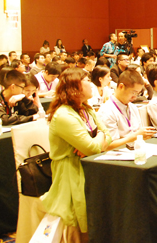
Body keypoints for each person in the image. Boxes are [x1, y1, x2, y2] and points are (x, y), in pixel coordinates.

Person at [41, 68, 112, 242]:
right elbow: (93, 148)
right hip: (70, 171)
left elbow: (108, 135)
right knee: (79, 220)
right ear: (75, 87)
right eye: (86, 80)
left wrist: (97, 138)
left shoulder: (86, 109)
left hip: (91, 165)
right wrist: (97, 140)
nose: (91, 83)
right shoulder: (63, 115)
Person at [99, 70, 156, 149]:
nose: (135, 97)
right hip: (117, 154)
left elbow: (139, 134)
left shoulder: (133, 107)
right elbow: (107, 146)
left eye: (138, 93)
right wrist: (134, 137)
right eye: (133, 92)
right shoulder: (107, 111)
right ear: (121, 86)